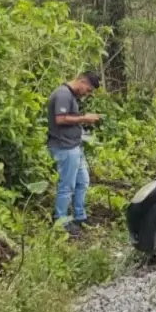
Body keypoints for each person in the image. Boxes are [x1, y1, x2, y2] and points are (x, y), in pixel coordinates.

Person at [47, 71, 102, 235]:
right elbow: (60, 119)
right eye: (88, 90)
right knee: (67, 185)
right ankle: (61, 220)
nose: (87, 94)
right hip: (64, 147)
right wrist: (84, 118)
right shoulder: (63, 94)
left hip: (74, 146)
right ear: (82, 81)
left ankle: (79, 216)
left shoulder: (70, 95)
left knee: (83, 181)